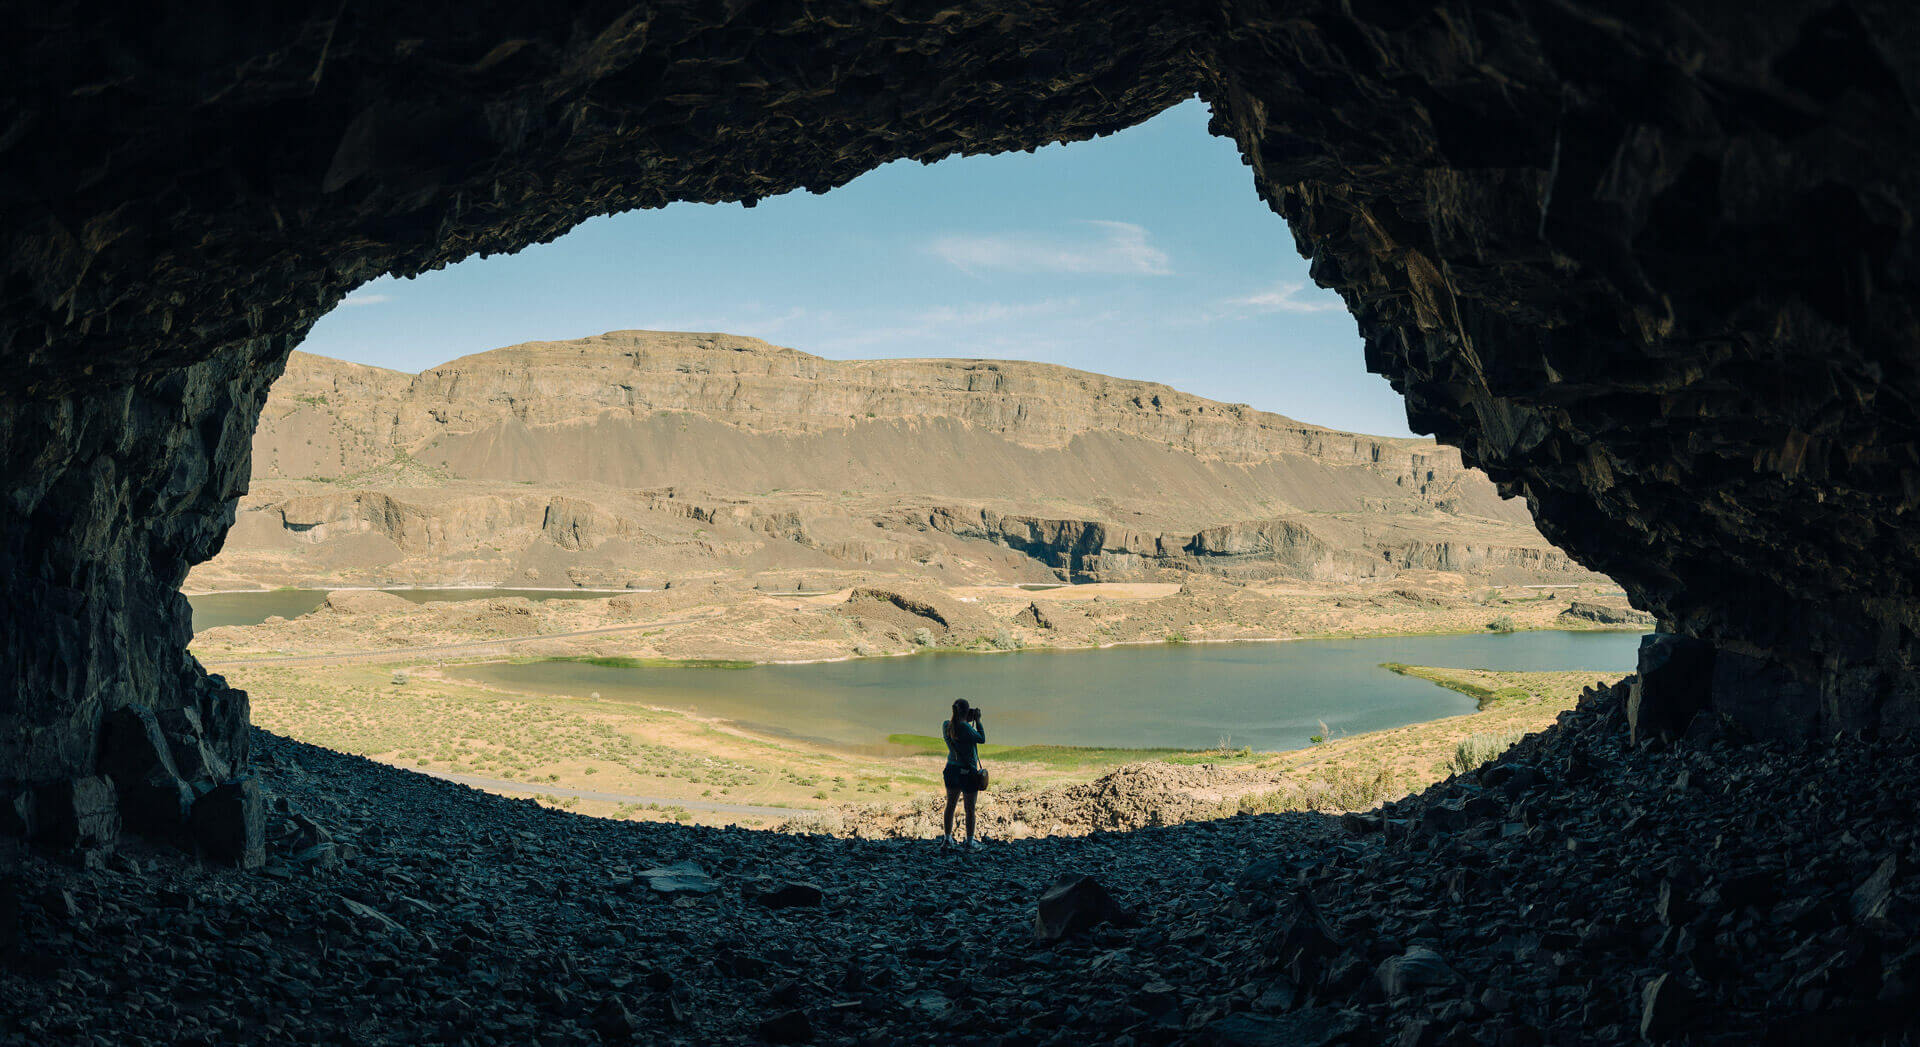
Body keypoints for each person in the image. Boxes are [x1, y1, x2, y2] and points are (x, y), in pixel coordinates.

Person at [941, 698, 986, 849]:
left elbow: (957, 728)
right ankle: (970, 841)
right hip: (967, 773)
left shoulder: (946, 725)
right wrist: (978, 721)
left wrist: (966, 719)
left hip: (951, 769)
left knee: (950, 805)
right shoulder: (966, 728)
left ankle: (947, 839)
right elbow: (982, 739)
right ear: (966, 712)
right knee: (970, 809)